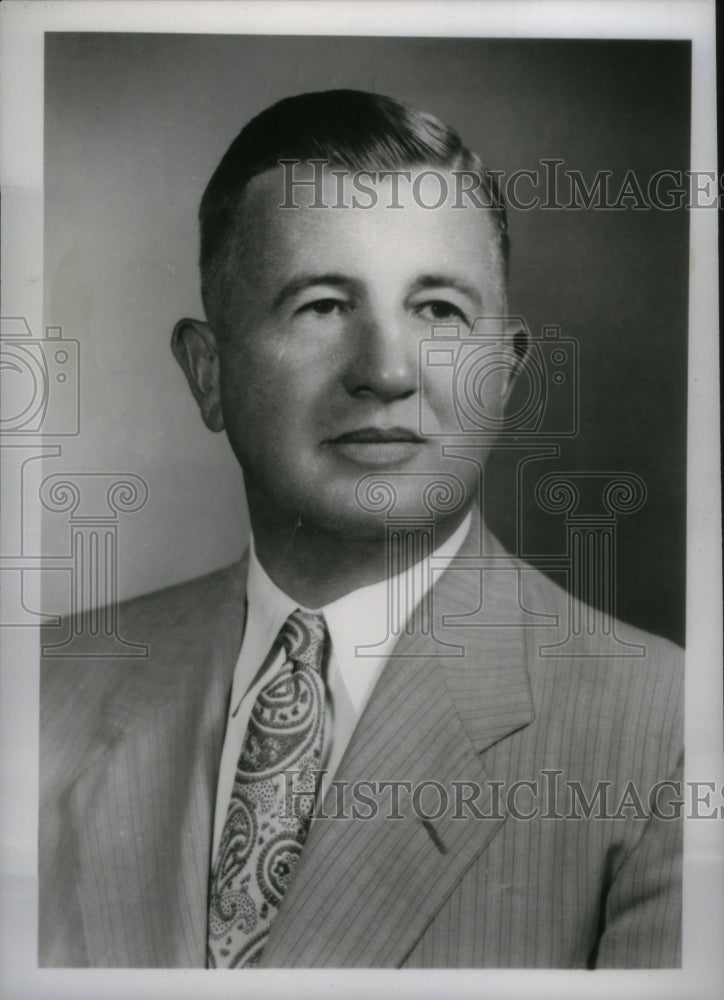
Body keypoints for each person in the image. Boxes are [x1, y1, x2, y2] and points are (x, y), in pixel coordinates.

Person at [39, 90, 683, 969]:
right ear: (208, 373)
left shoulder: (671, 735)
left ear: (508, 374)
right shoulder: (37, 699)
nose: (384, 371)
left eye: (440, 311)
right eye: (322, 305)